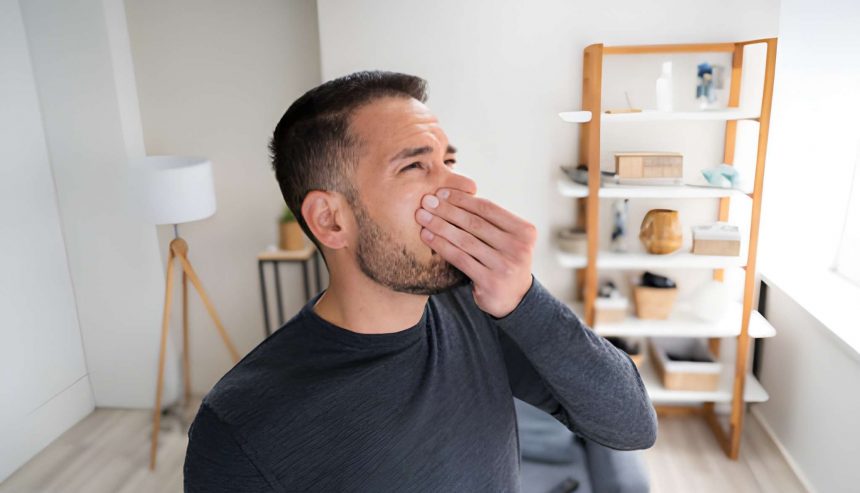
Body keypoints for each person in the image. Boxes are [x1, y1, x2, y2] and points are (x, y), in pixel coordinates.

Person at [182, 70, 657, 492]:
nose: (461, 186)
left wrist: (525, 301)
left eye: (449, 161)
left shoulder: (475, 310)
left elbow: (632, 425)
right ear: (330, 220)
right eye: (415, 166)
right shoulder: (241, 426)